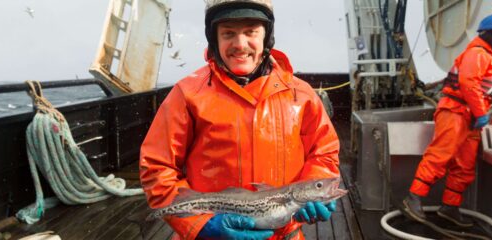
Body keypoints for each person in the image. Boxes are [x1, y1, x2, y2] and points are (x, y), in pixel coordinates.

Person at [139, 0, 341, 239]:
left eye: (250, 32)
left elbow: (324, 153)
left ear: (267, 36)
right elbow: (157, 166)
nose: (240, 44)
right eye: (228, 34)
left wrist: (314, 187)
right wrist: (200, 224)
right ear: (214, 39)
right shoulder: (187, 94)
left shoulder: (301, 94)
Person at [402, 14, 492, 227]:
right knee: (440, 156)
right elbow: (468, 84)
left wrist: (478, 114)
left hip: (471, 118)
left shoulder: (490, 58)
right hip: (455, 112)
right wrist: (481, 114)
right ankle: (413, 198)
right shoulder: (477, 54)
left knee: (465, 165)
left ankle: (450, 207)